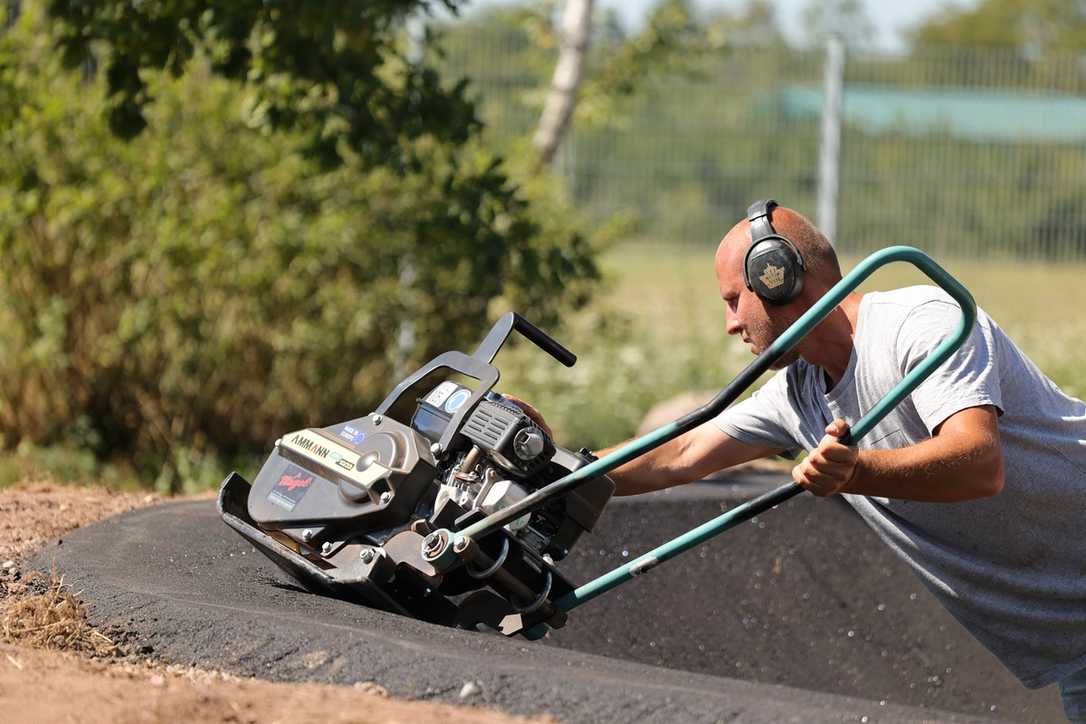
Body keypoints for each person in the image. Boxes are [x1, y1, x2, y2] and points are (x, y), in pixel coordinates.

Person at [514, 201, 1086, 721]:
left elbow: (978, 464)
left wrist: (858, 472)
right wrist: (548, 460)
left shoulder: (920, 323)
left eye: (735, 300)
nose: (731, 325)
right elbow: (681, 454)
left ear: (779, 276)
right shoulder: (799, 394)